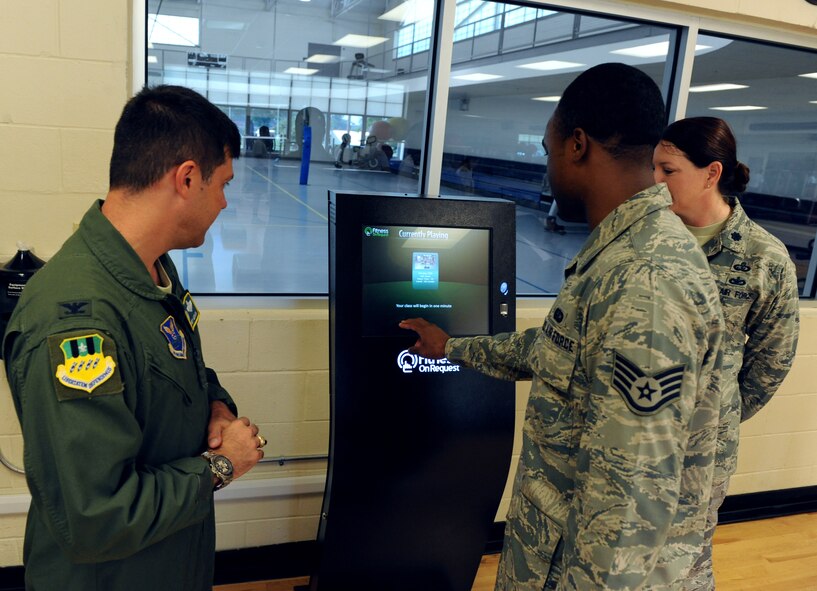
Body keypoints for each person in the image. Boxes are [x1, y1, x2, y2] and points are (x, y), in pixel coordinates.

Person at [400, 63, 725, 589]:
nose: (547, 166)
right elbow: (555, 351)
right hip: (552, 550)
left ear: (578, 144)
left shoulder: (644, 279)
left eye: (549, 151)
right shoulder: (621, 254)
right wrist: (452, 345)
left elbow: (629, 499)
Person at [2, 85, 266, 590]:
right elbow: (98, 516)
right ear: (187, 178)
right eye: (224, 184)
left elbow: (180, 369)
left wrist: (216, 406)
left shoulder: (149, 271)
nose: (226, 203)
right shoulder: (76, 321)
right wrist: (222, 464)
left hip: (168, 564)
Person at [653, 116, 800, 590]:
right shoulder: (646, 239)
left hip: (699, 454)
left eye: (668, 170)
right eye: (653, 168)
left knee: (684, 564)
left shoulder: (764, 258)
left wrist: (712, 414)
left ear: (712, 173)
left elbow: (771, 362)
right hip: (626, 432)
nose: (655, 181)